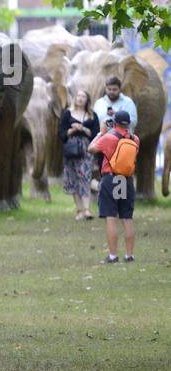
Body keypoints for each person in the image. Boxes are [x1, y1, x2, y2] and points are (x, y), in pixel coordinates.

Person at [87, 110, 139, 263]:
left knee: (111, 216)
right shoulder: (135, 139)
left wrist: (100, 133)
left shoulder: (108, 137)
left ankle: (113, 255)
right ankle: (129, 255)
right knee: (126, 217)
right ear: (128, 123)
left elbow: (90, 149)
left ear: (114, 122)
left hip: (111, 178)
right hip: (126, 179)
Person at [58, 88, 99, 219]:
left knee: (85, 176)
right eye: (78, 96)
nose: (80, 99)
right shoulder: (67, 114)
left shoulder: (92, 115)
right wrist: (71, 130)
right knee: (73, 178)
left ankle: (87, 209)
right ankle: (79, 209)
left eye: (83, 96)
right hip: (70, 149)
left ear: (87, 100)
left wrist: (85, 129)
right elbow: (60, 133)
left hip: (86, 150)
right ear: (74, 99)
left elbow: (96, 134)